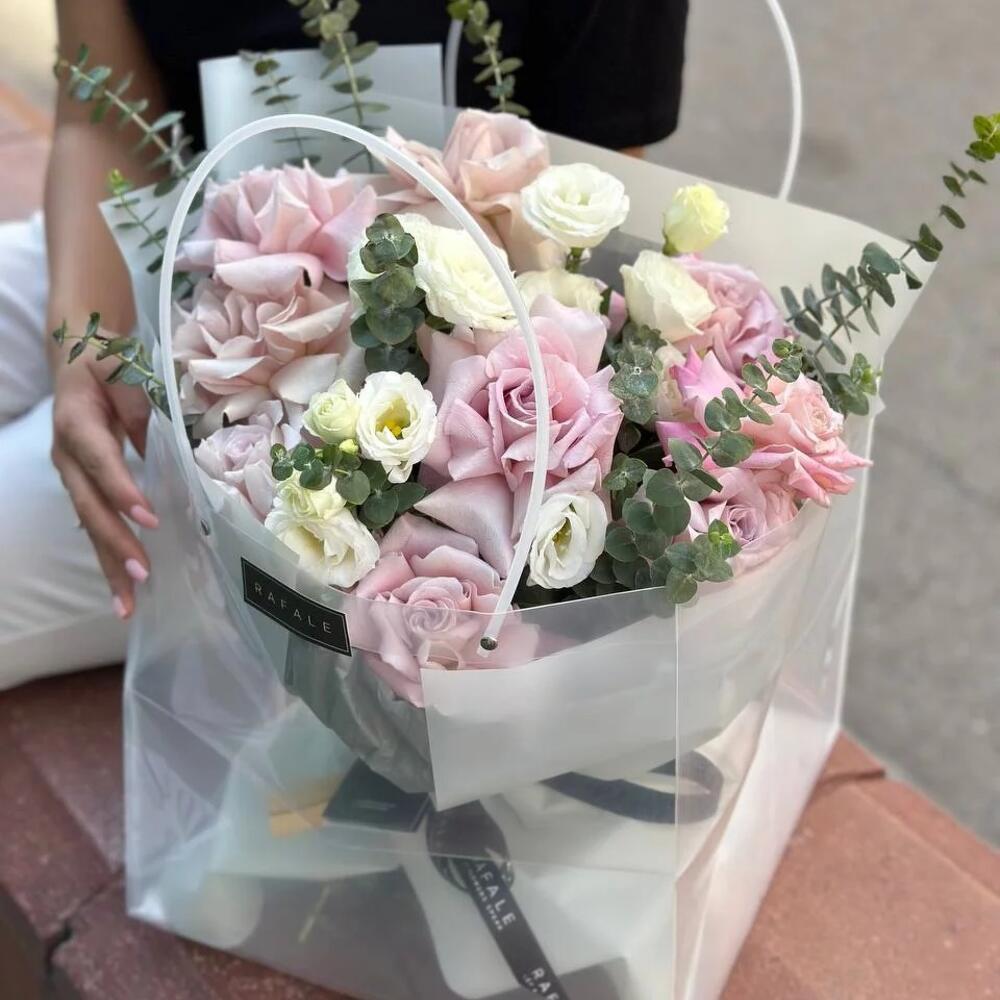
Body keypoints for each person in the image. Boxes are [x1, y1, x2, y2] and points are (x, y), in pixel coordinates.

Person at [0, 0, 689, 689]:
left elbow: (583, 232)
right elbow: (101, 120)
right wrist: (82, 338)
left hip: (412, 349)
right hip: (193, 248)